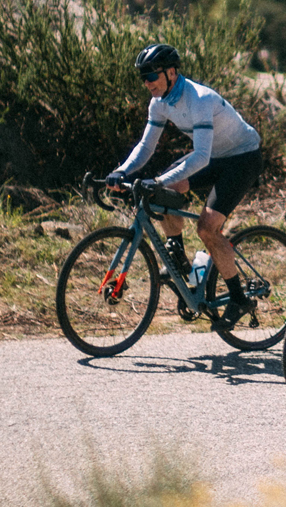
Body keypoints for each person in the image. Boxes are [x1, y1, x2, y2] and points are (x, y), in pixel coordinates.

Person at [107, 42, 263, 329]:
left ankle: (239, 298)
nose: (147, 83)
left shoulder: (199, 99)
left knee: (206, 227)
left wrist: (157, 181)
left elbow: (201, 157)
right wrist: (122, 171)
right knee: (168, 191)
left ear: (171, 73)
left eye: (151, 76)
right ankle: (177, 254)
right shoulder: (160, 102)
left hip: (242, 158)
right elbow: (146, 145)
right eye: (143, 77)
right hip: (216, 155)